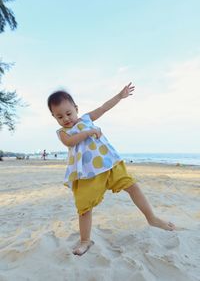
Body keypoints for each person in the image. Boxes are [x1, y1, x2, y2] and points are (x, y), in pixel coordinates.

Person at [47, 82, 175, 256]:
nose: (66, 119)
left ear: (76, 108)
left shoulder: (86, 118)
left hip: (109, 164)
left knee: (133, 186)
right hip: (87, 174)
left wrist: (120, 96)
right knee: (84, 208)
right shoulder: (63, 132)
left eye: (69, 113)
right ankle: (85, 240)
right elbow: (70, 142)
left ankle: (152, 218)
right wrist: (89, 132)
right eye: (60, 117)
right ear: (55, 117)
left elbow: (103, 108)